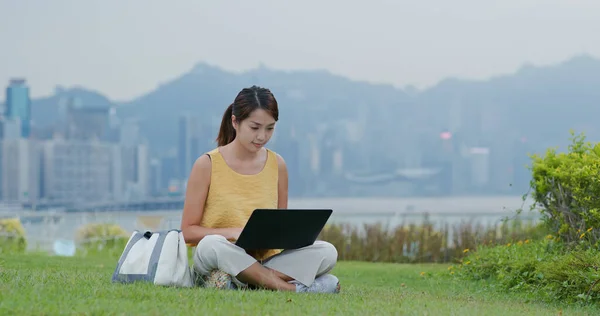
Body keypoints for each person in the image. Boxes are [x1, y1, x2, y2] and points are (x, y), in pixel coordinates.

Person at [180, 85, 340, 293]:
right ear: (235, 121)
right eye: (254, 128)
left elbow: (280, 227)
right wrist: (234, 233)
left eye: (270, 128)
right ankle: (290, 289)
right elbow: (188, 232)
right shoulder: (207, 164)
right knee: (212, 245)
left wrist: (291, 236)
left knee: (327, 251)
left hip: (265, 261)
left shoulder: (278, 165)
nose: (262, 136)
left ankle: (245, 281)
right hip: (219, 256)